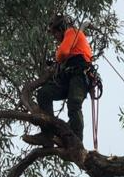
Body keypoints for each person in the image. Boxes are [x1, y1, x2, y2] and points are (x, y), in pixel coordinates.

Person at [23, 13, 92, 147]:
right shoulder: (70, 39)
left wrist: (58, 58)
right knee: (44, 93)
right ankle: (48, 134)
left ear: (61, 28)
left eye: (55, 33)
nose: (55, 37)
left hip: (79, 76)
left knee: (74, 105)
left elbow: (62, 53)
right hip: (68, 78)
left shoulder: (72, 32)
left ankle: (77, 141)